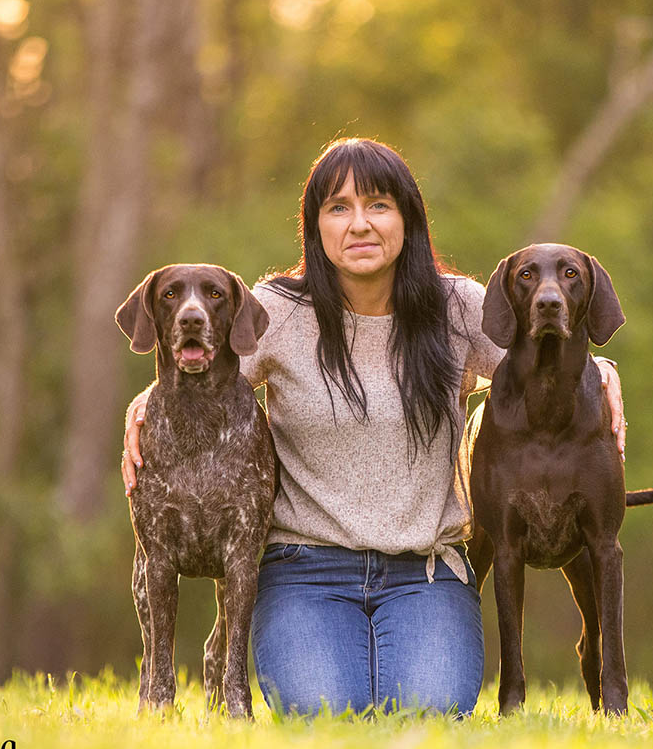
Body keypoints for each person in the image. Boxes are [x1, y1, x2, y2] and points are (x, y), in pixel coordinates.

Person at [120, 138, 626, 717]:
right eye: (338, 207)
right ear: (315, 226)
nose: (359, 224)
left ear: (408, 218)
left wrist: (604, 370)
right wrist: (143, 405)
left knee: (430, 712)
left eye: (378, 205)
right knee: (323, 711)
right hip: (303, 569)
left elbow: (540, 356)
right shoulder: (278, 310)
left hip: (426, 572)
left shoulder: (456, 306)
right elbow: (200, 360)